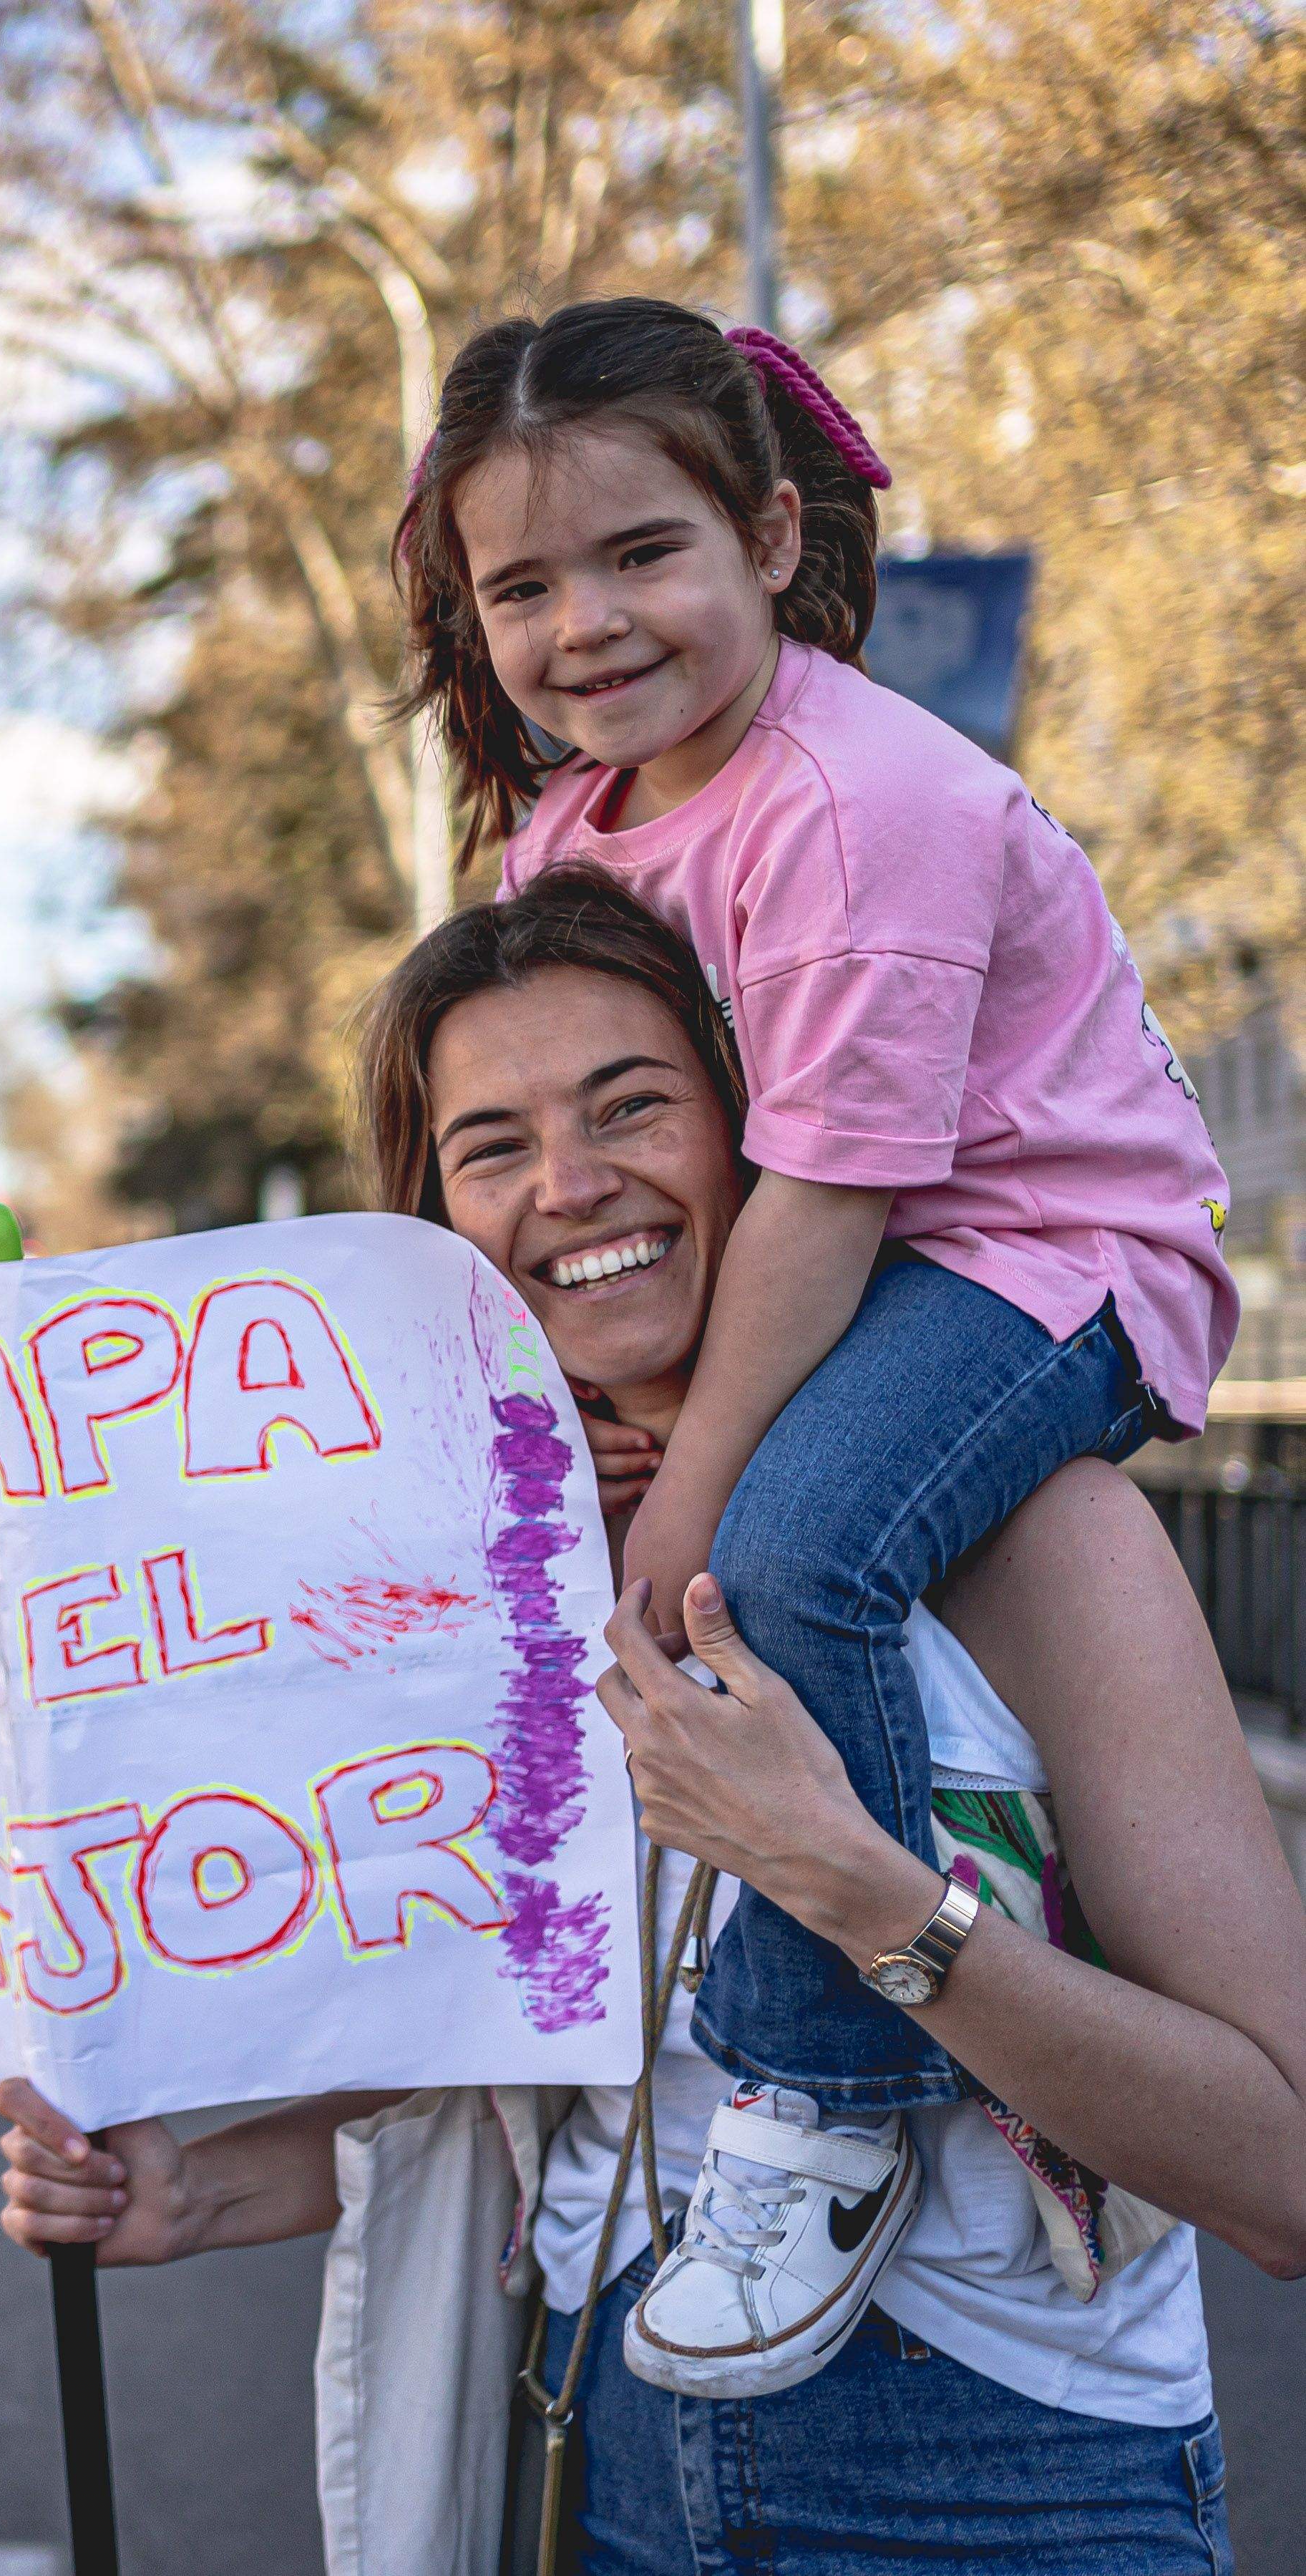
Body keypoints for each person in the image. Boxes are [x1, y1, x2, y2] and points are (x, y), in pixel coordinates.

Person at [0, 872, 1306, 2570]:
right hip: (595, 2451)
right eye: (490, 1148)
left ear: (764, 1140)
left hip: (993, 2480)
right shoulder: (464, 1581)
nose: (570, 1186)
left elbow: (1278, 2172)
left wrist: (861, 1892)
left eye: (631, 1106)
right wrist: (185, 2191)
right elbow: (535, 2100)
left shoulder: (1032, 1540)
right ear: (428, 1220)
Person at [394, 298, 1239, 2391]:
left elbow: (821, 1194)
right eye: (518, 583)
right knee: (708, 1537)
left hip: (1037, 1253)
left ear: (769, 536)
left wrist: (673, 1497)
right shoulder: (566, 832)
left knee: (771, 1564)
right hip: (867, 1259)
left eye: (636, 553)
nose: (580, 623)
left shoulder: (860, 802)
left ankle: (824, 2089)